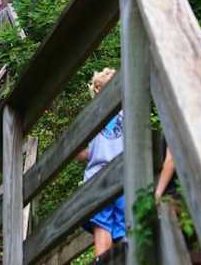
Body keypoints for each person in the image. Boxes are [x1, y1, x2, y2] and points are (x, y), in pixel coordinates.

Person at [77, 68, 125, 259]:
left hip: (97, 175)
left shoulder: (89, 115)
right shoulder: (127, 110)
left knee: (103, 228)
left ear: (97, 90)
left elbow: (78, 153)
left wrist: (96, 152)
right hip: (123, 175)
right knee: (124, 230)